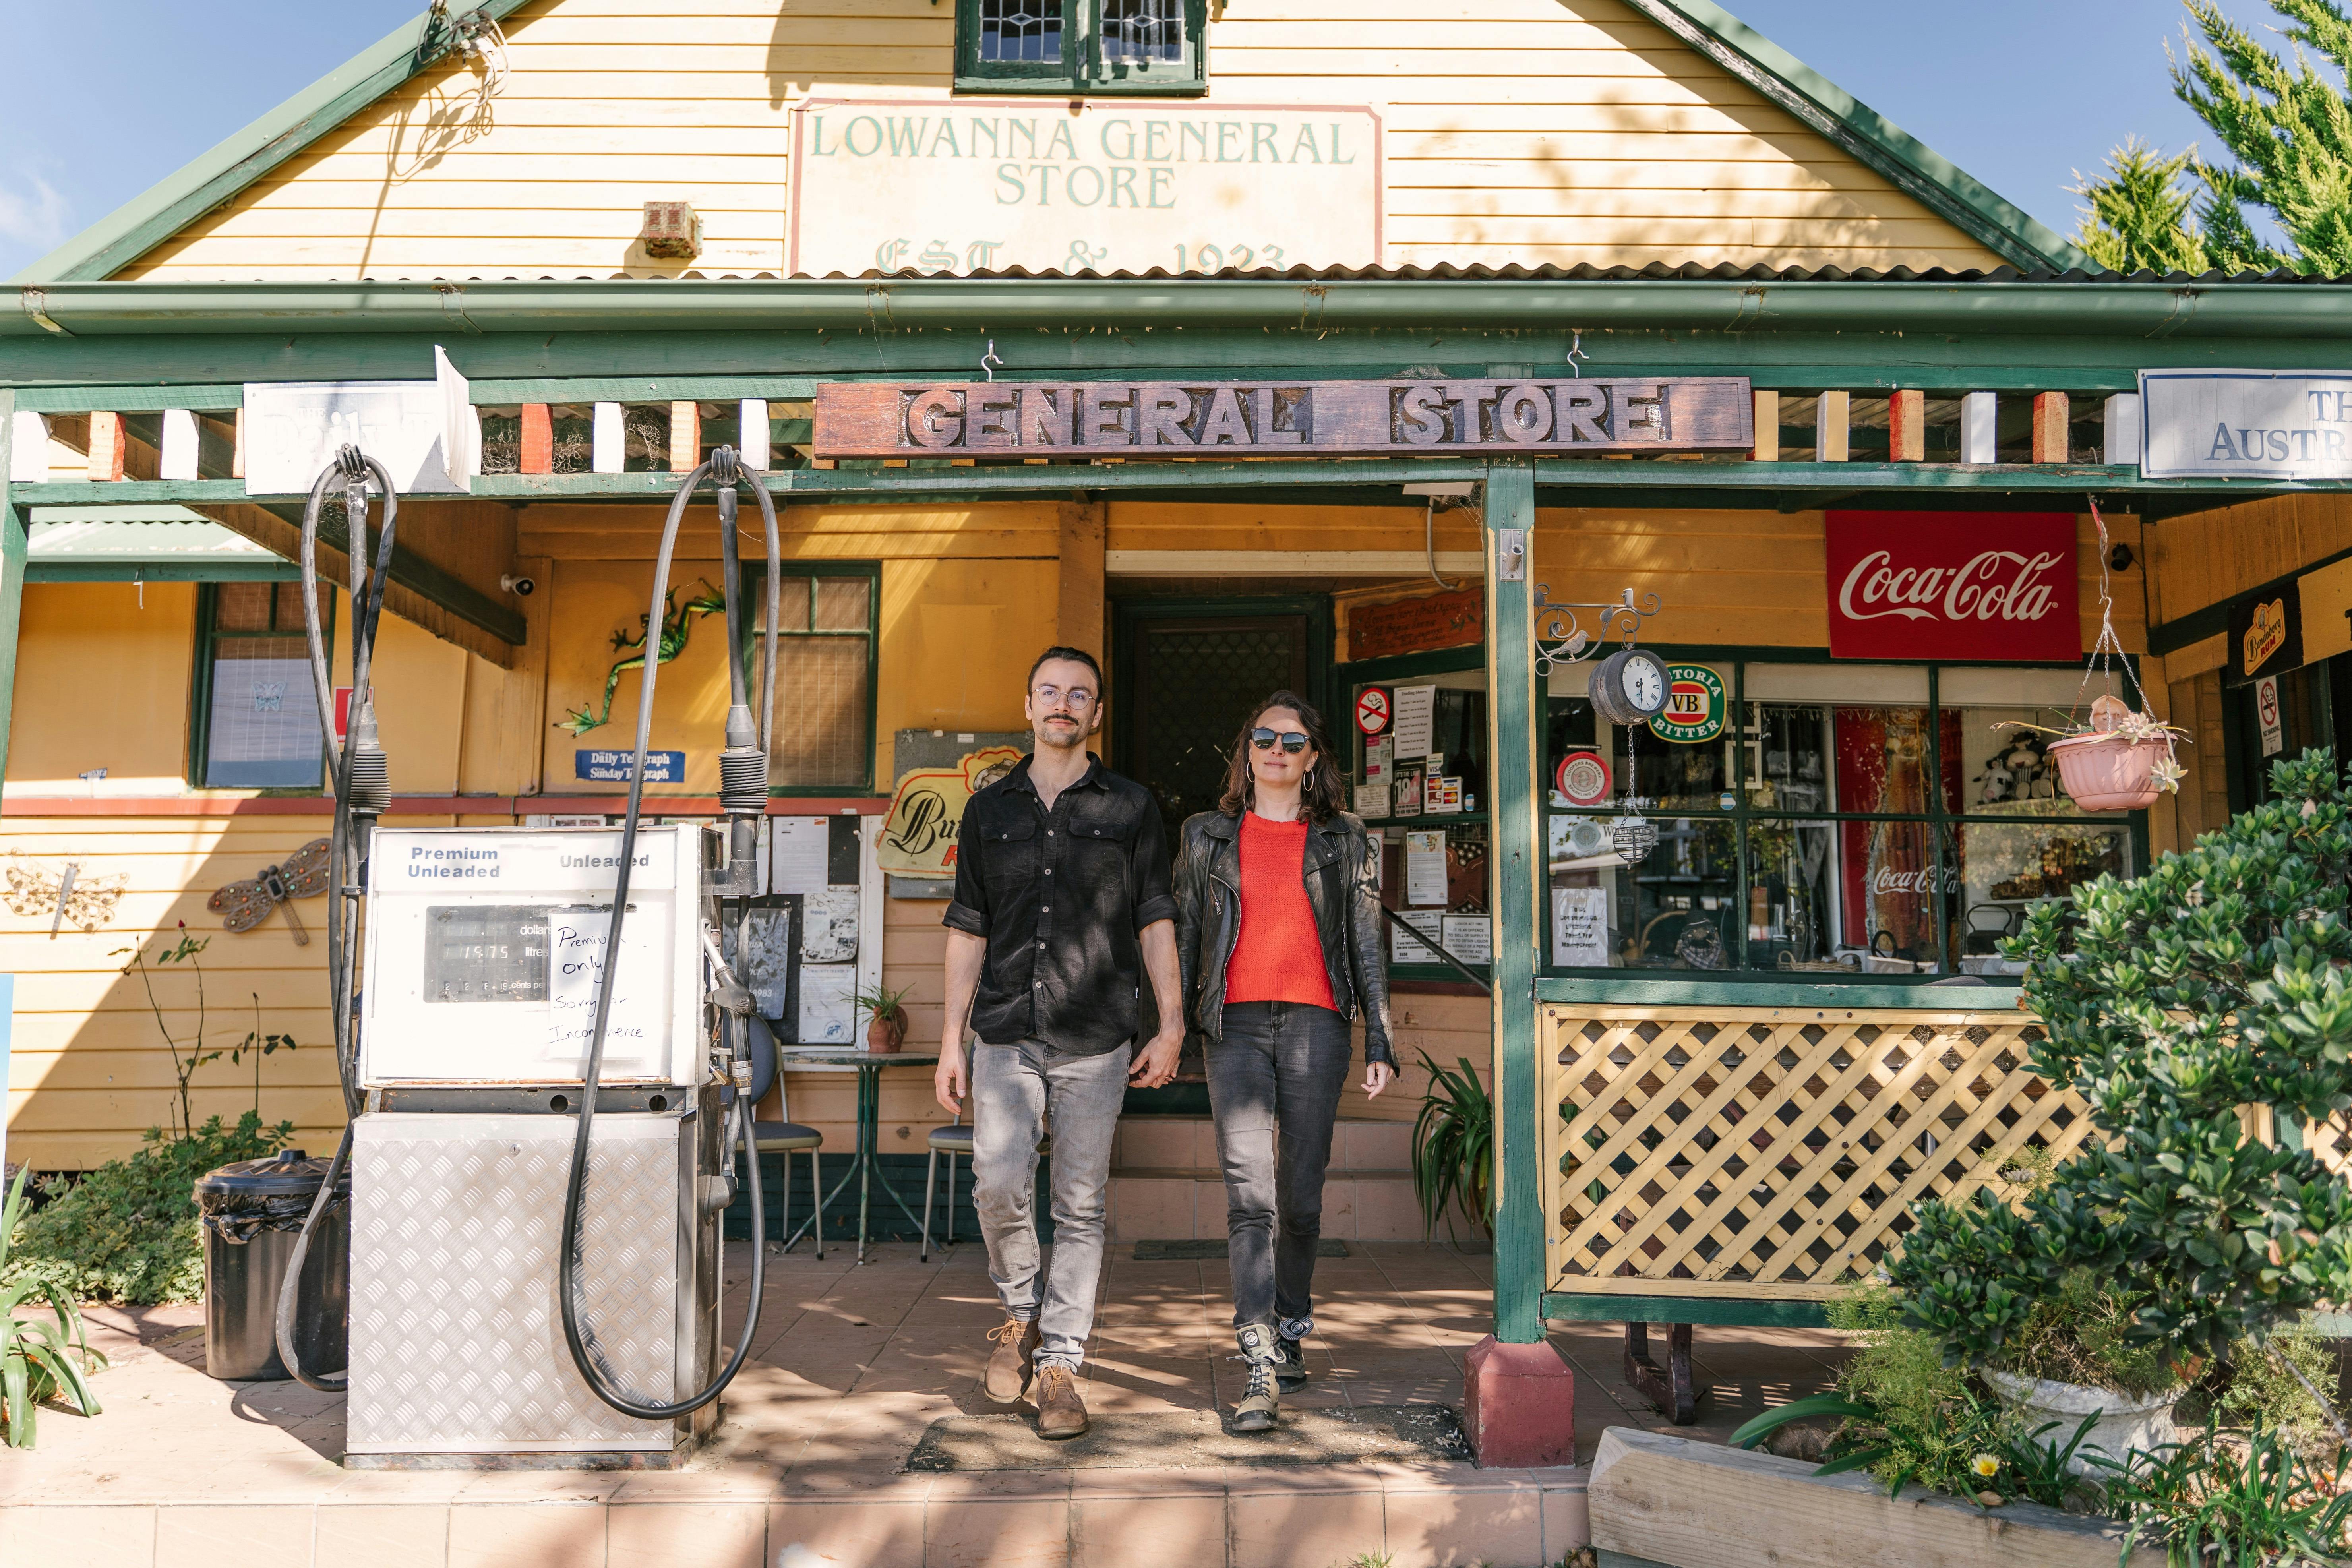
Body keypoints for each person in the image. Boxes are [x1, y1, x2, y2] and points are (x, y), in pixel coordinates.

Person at [935, 645, 1185, 1440]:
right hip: (1005, 1030)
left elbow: (1154, 916)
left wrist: (1172, 1021)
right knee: (996, 1181)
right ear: (1028, 702)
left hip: (1097, 1035)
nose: (1063, 703)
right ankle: (1018, 1312)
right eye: (1050, 690)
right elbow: (966, 928)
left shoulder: (1132, 806)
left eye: (1079, 693)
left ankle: (1060, 1364)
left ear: (1095, 713)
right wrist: (949, 1037)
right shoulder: (987, 809)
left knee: (1080, 1205)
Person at [1173, 691, 1394, 1434]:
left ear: (1313, 759)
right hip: (1233, 1026)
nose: (1276, 749)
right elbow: (1183, 937)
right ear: (1247, 750)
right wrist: (1171, 1026)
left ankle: (1294, 1319)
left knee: (1300, 1200)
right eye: (1263, 736)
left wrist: (1381, 1038)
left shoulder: (1346, 838)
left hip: (1317, 1025)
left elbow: (1365, 942)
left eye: (1291, 741)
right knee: (1250, 1198)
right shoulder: (1206, 835)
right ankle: (1259, 1361)